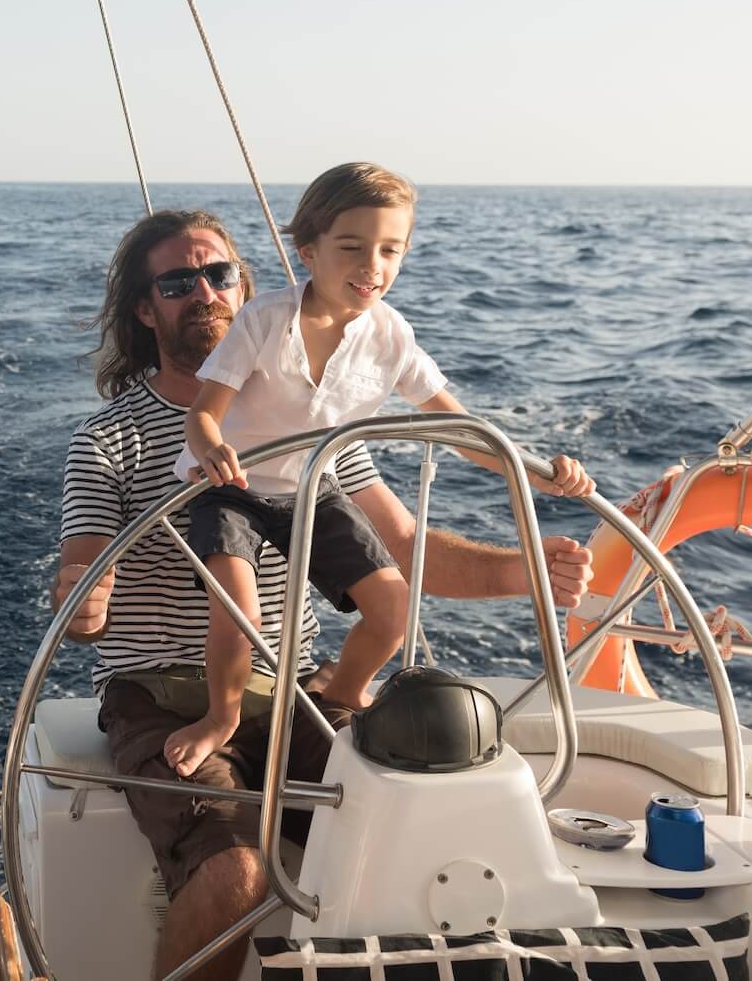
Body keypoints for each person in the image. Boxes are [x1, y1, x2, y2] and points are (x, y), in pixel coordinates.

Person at [55, 209, 594, 981]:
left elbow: (403, 550)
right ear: (146, 310)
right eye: (178, 281)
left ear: (246, 289)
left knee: (440, 825)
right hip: (161, 700)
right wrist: (86, 601)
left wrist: (523, 571)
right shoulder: (108, 441)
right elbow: (80, 580)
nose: (204, 293)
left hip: (299, 694)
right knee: (237, 878)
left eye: (220, 275)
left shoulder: (305, 420)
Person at [165, 164, 595, 775]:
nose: (373, 266)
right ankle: (221, 719)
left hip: (312, 486)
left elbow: (460, 430)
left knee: (392, 606)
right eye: (353, 247)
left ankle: (338, 695)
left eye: (390, 250)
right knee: (240, 613)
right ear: (308, 251)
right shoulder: (261, 320)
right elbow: (204, 416)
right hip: (227, 486)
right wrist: (210, 449)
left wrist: (538, 472)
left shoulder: (391, 335)